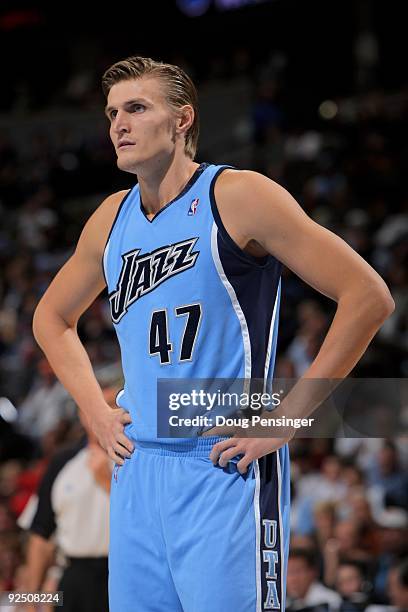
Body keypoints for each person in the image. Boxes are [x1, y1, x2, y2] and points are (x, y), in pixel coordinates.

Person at [32, 56, 394, 612]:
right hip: (138, 467)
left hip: (222, 461)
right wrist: (94, 411)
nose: (118, 125)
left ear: (182, 120)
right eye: (111, 113)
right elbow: (51, 319)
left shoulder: (238, 195)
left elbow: (367, 296)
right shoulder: (109, 218)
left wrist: (288, 421)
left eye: (136, 108)